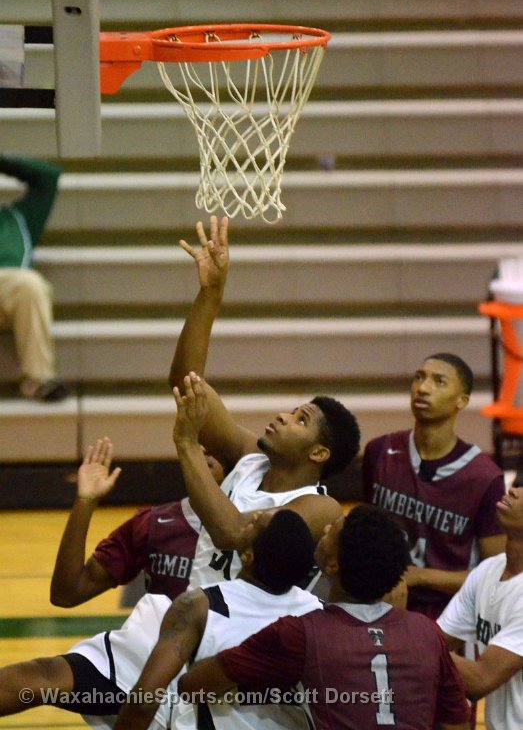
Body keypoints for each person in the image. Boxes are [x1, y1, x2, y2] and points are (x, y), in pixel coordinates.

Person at [168, 217, 361, 589]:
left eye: (301, 420)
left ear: (319, 453)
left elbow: (232, 533)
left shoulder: (320, 507)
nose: (283, 416)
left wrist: (188, 444)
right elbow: (185, 383)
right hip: (203, 610)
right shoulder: (250, 458)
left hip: (256, 625)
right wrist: (211, 295)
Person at [0, 510, 321, 730]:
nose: (249, 517)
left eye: (254, 523)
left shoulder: (200, 605)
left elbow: (143, 702)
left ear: (248, 556)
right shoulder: (318, 613)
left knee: (44, 675)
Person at [179, 504, 470, 730]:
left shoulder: (301, 634)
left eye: (333, 531)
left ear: (332, 565)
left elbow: (192, 687)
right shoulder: (427, 632)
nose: (327, 526)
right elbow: (457, 721)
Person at [362, 352, 505, 619]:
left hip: (450, 618)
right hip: (378, 603)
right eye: (419, 377)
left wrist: (420, 576)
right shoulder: (379, 451)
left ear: (461, 401)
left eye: (439, 382)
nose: (423, 388)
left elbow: (496, 578)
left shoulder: (485, 478)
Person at [50, 437, 225, 607]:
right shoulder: (151, 524)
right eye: (200, 443)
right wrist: (85, 502)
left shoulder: (242, 531)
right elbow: (67, 594)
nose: (206, 450)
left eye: (220, 443)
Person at [437, 484, 523, 730]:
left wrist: (406, 640)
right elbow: (441, 640)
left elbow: (480, 680)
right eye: (519, 485)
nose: (514, 491)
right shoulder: (488, 570)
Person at [0, 153, 68, 401]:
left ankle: (40, 380)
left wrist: (3, 162)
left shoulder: (18, 218)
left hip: (8, 290)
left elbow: (49, 177)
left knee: (29, 283)